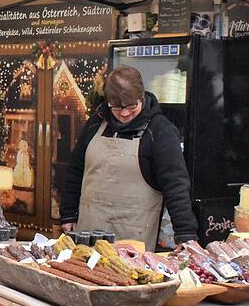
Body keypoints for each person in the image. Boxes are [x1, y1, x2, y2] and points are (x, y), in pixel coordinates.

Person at [59, 67, 198, 249]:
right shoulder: (95, 124)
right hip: (89, 230)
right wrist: (68, 213)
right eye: (117, 107)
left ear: (142, 97)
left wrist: (185, 233)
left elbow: (176, 184)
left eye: (131, 106)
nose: (124, 113)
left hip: (135, 236)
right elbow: (75, 171)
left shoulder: (160, 131)